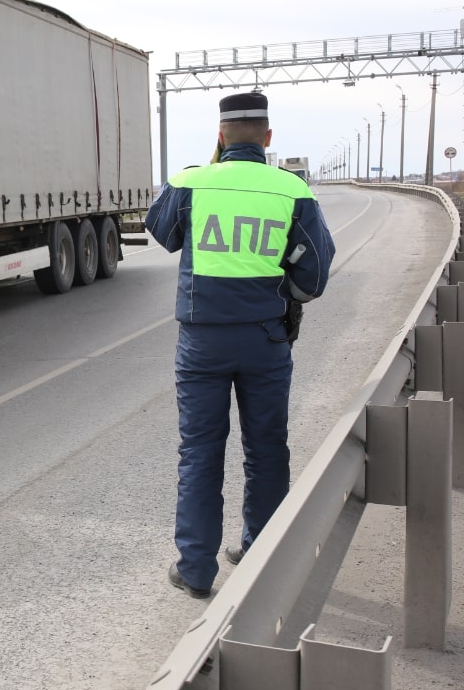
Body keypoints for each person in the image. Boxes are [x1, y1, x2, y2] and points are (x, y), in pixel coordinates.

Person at [144, 91, 336, 599]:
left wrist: (206, 169)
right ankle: (261, 556)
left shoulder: (190, 182)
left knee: (200, 452)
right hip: (266, 340)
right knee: (267, 448)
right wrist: (281, 299)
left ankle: (197, 570)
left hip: (202, 344)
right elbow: (314, 276)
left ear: (220, 136)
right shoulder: (291, 190)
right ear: (268, 138)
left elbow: (161, 233)